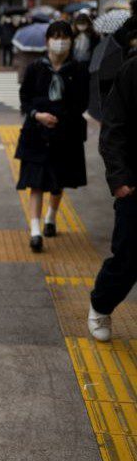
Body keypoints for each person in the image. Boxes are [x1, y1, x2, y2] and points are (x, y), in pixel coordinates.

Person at [14, 20, 89, 252]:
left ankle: (51, 217)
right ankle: (35, 230)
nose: (59, 41)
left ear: (71, 41)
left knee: (58, 182)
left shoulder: (77, 70)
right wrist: (38, 114)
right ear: (47, 41)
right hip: (36, 134)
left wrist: (61, 117)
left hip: (66, 136)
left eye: (64, 37)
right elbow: (24, 97)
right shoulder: (35, 68)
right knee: (35, 183)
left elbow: (82, 102)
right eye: (55, 36)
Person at [88, 31, 137, 341]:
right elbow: (113, 129)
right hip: (134, 184)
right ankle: (101, 305)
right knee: (129, 257)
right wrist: (119, 179)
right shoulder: (132, 70)